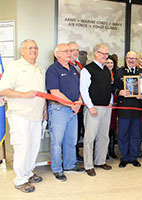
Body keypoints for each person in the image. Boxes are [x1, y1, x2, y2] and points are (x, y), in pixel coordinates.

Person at [0, 39, 47, 193]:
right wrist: (24, 95)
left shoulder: (40, 68)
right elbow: (3, 90)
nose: (33, 50)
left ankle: (28, 172)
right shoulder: (14, 67)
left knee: (33, 146)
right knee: (22, 147)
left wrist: (44, 111)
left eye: (35, 48)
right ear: (22, 50)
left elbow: (42, 92)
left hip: (36, 115)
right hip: (20, 115)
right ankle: (20, 180)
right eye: (29, 48)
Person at [46, 43, 84, 182]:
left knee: (71, 139)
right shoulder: (53, 70)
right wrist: (71, 104)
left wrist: (78, 102)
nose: (70, 53)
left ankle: (70, 165)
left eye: (70, 50)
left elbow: (79, 89)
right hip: (59, 110)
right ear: (58, 54)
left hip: (73, 109)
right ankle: (57, 169)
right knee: (57, 141)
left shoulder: (73, 69)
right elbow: (54, 92)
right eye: (66, 51)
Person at [80, 44, 113, 176]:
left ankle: (100, 161)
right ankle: (88, 165)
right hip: (93, 108)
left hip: (106, 108)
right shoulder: (87, 70)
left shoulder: (106, 70)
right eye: (102, 53)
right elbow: (84, 90)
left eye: (107, 54)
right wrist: (90, 106)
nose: (105, 56)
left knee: (103, 136)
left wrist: (110, 102)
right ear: (95, 53)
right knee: (89, 138)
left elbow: (108, 89)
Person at [112, 50, 142, 168]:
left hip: (137, 108)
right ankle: (124, 157)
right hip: (124, 108)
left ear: (137, 59)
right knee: (123, 134)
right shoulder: (119, 72)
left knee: (135, 134)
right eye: (129, 58)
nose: (131, 60)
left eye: (133, 58)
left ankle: (133, 157)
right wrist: (120, 92)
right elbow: (113, 88)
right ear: (126, 59)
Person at [68, 42, 84, 162]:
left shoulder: (79, 65)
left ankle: (76, 153)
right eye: (72, 50)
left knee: (77, 130)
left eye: (77, 50)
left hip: (80, 104)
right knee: (69, 132)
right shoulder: (65, 65)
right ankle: (69, 155)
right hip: (69, 105)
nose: (75, 52)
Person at [106, 55, 118, 159]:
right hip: (105, 105)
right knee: (104, 128)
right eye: (108, 62)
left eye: (111, 63)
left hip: (115, 105)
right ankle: (104, 151)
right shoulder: (102, 73)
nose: (110, 65)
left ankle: (111, 150)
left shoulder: (116, 74)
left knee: (112, 128)